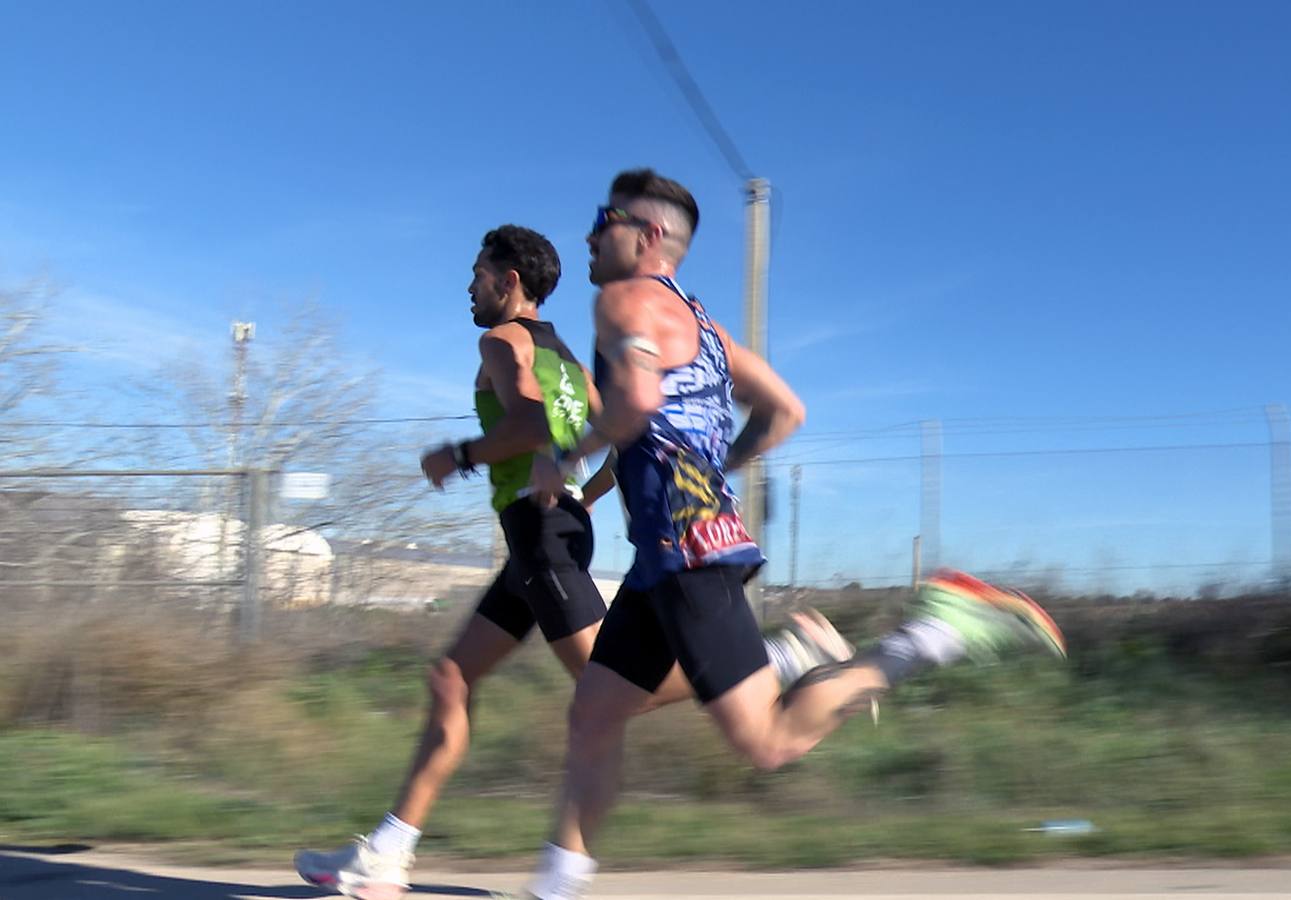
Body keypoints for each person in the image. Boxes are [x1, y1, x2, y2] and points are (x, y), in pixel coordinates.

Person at [517, 171, 1066, 900]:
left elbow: (639, 400)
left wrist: (563, 462)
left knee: (768, 743)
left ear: (648, 237)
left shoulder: (624, 299)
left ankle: (935, 632)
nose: (587, 235)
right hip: (671, 556)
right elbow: (786, 410)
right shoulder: (709, 334)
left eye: (602, 220)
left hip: (687, 553)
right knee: (593, 710)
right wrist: (716, 465)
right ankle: (555, 886)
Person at [295, 224, 855, 900]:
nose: (469, 286)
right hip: (549, 534)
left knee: (606, 694)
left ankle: (778, 659)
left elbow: (530, 425)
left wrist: (461, 455)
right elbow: (625, 436)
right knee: (450, 677)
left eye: (477, 273)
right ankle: (387, 849)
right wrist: (584, 500)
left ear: (508, 282)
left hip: (540, 540)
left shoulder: (500, 342)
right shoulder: (567, 356)